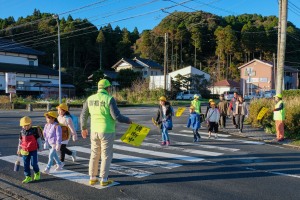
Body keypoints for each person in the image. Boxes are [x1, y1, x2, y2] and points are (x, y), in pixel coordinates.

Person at [80, 79, 132, 187]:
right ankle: (103, 179)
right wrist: (128, 120)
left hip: (94, 131)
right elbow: (116, 116)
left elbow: (83, 115)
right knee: (106, 156)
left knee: (94, 154)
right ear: (108, 88)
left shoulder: (90, 99)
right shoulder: (109, 99)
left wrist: (83, 128)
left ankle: (92, 178)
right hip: (107, 131)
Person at [17, 116, 42, 183]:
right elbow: (20, 142)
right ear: (22, 126)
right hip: (24, 150)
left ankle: (37, 173)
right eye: (24, 126)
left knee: (34, 163)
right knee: (26, 164)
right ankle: (28, 177)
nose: (26, 127)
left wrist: (40, 147)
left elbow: (38, 139)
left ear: (31, 123)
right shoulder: (21, 132)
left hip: (33, 150)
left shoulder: (34, 130)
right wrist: (19, 149)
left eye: (27, 125)